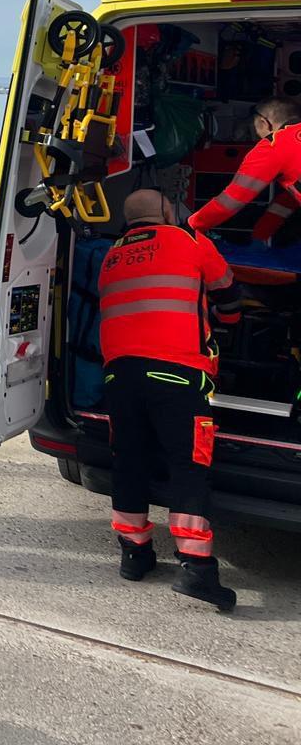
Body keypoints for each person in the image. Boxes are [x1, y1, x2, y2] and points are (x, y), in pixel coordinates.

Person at [99, 188, 241, 610]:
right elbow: (228, 292)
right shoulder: (189, 239)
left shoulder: (111, 255)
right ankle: (197, 568)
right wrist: (230, 324)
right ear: (165, 210)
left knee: (129, 462)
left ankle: (134, 554)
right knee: (188, 466)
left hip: (119, 376)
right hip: (176, 374)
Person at [188, 98, 301, 240]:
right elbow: (290, 197)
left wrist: (191, 226)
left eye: (253, 129)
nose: (255, 137)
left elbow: (232, 200)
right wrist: (261, 233)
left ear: (264, 122)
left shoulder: (273, 145)